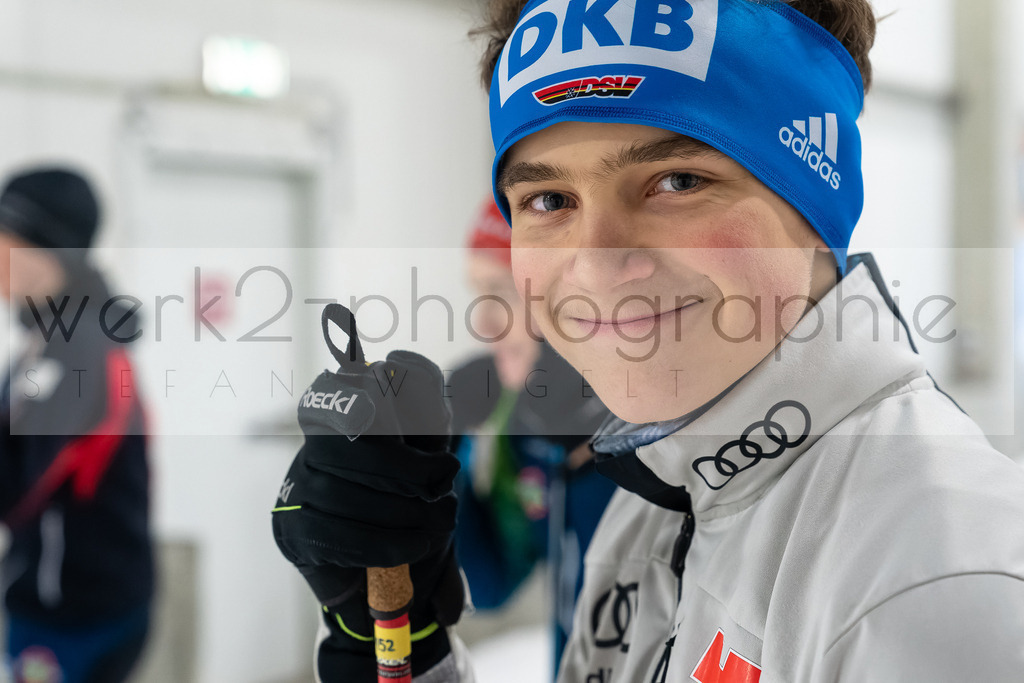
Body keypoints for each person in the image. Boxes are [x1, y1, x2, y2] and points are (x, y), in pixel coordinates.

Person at [274, 0, 1024, 680]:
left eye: (677, 182)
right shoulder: (658, 492)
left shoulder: (935, 584)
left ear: (819, 194)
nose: (596, 263)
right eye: (548, 199)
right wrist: (401, 639)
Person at [0, 168, 153, 683]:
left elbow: (16, 488)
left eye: (8, 240)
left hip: (75, 612)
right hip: (66, 596)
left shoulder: (76, 349)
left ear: (53, 252)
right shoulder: (47, 342)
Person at [449, 198, 615, 672]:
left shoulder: (669, 442)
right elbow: (489, 585)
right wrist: (441, 455)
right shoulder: (526, 436)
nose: (483, 325)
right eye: (478, 296)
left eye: (501, 293)